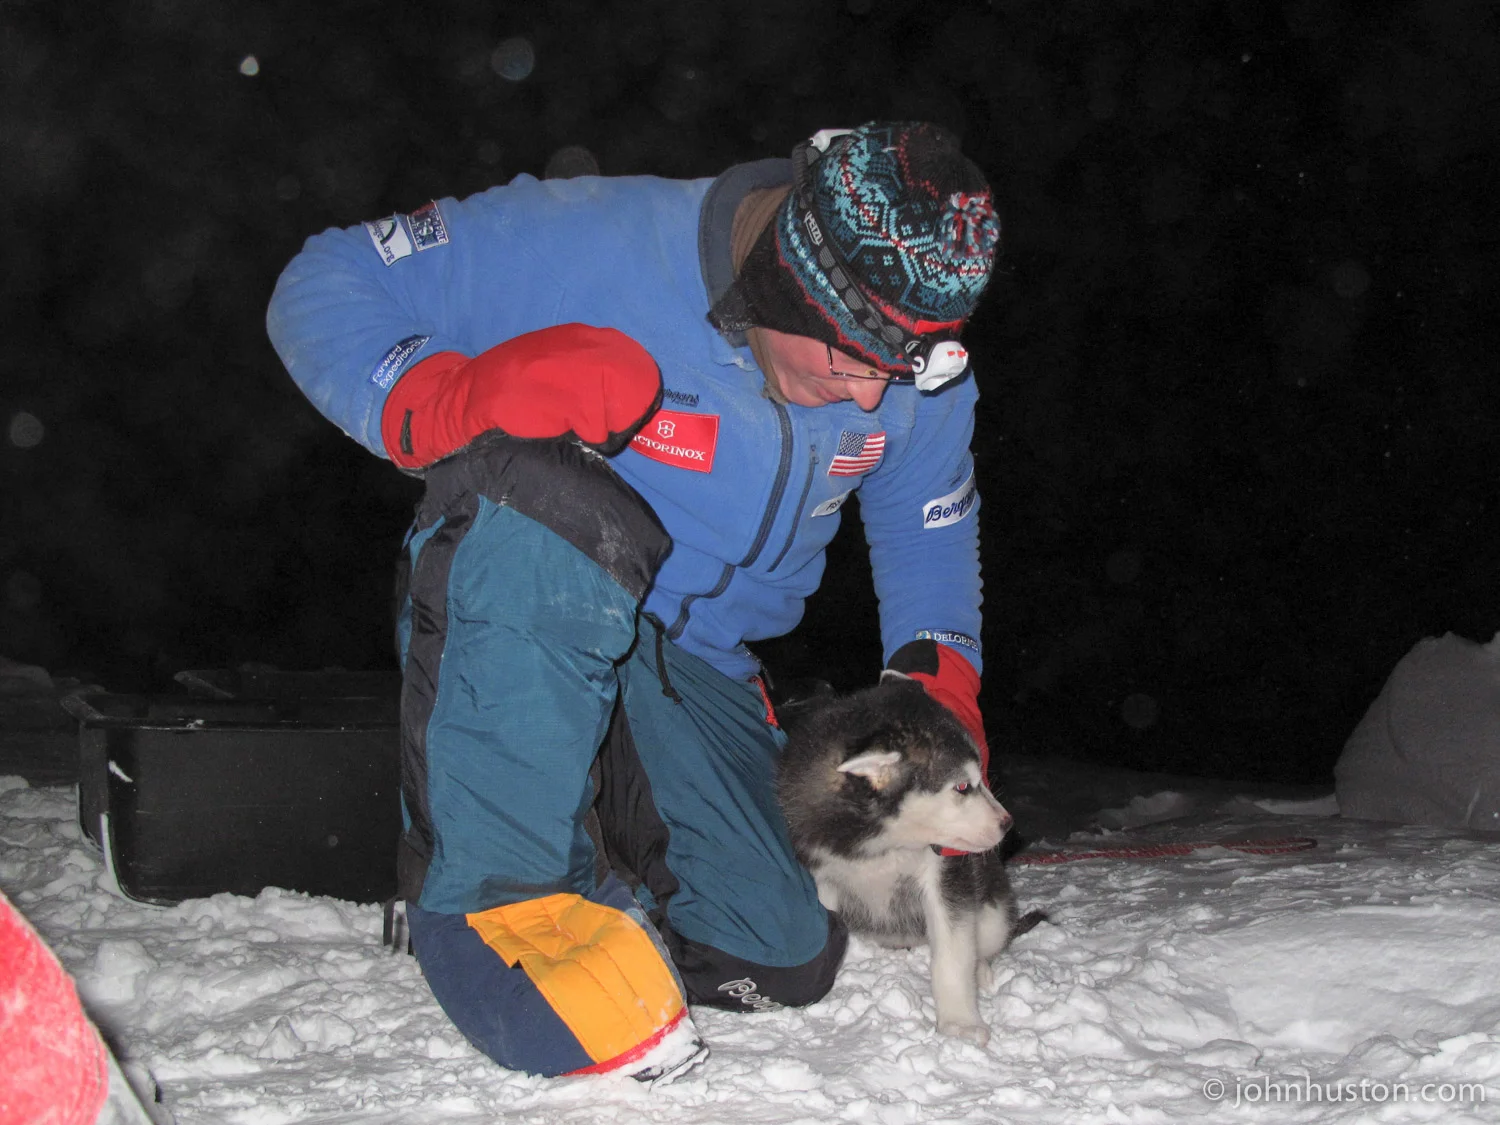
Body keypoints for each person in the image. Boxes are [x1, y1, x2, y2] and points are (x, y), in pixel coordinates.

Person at [266, 121, 1001, 1082]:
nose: (872, 400)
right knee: (550, 475)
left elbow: (926, 538)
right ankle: (494, 897)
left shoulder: (906, 374)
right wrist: (446, 392)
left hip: (700, 671)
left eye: (900, 371)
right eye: (849, 361)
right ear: (777, 281)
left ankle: (599, 860)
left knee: (780, 956)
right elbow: (321, 283)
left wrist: (941, 703)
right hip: (543, 594)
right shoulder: (586, 241)